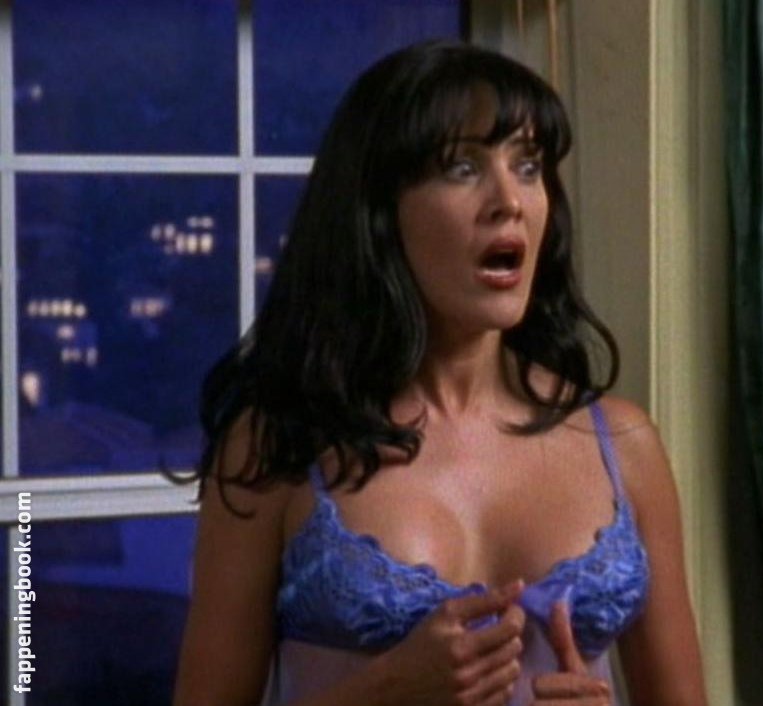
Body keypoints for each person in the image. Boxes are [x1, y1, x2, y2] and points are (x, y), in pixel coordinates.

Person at [172, 40, 706, 706]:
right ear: (378, 212)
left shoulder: (624, 445)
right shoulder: (276, 447)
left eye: (528, 165)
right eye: (462, 167)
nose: (509, 200)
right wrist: (386, 691)